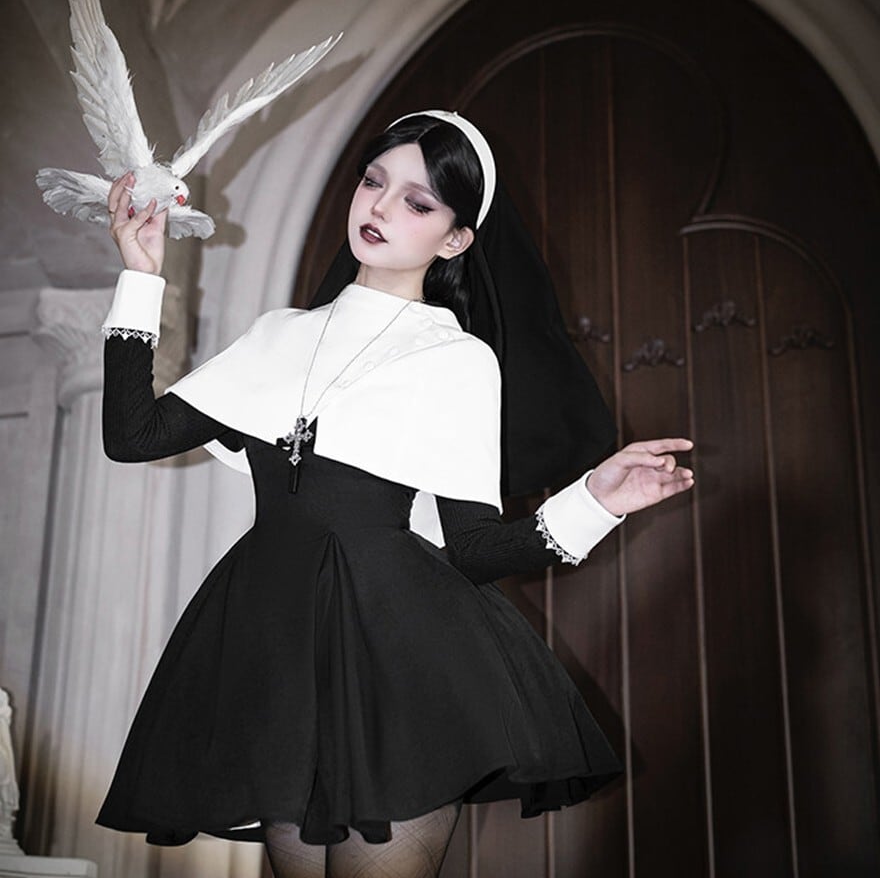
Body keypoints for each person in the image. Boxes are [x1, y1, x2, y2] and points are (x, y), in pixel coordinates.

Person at [95, 110, 694, 878]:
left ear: (455, 239)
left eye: (417, 201)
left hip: (395, 651)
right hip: (274, 642)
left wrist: (596, 501)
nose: (379, 207)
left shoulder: (456, 357)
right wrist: (141, 274)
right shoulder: (276, 336)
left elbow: (474, 549)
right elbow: (133, 435)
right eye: (373, 182)